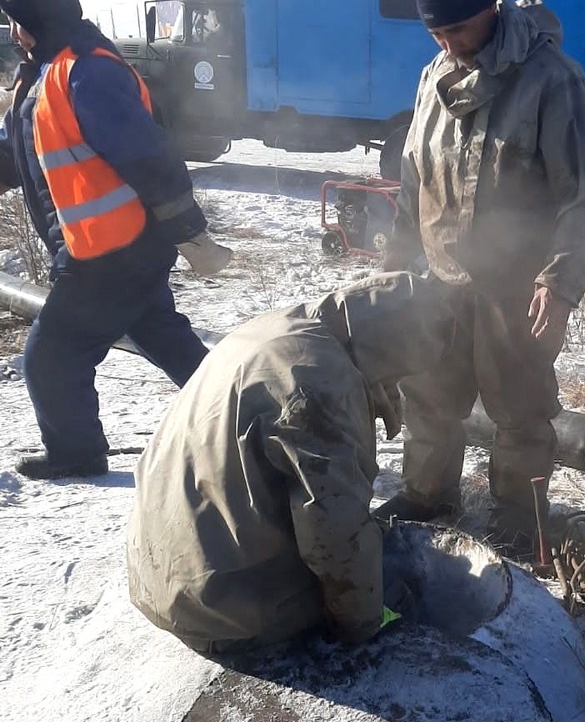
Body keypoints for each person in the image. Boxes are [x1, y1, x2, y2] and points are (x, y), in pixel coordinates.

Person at [377, 0, 585, 559]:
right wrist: (396, 266)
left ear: (490, 8)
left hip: (518, 285)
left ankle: (517, 517)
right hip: (439, 278)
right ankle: (429, 497)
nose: (448, 43)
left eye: (458, 28)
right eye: (436, 32)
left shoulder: (550, 80)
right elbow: (413, 181)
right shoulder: (435, 78)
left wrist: (560, 282)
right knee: (428, 395)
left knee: (521, 411)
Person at [126, 271, 454, 653]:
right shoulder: (321, 384)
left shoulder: (284, 329)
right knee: (392, 587)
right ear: (394, 350)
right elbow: (334, 531)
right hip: (218, 607)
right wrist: (363, 626)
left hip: (162, 568)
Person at [0, 0, 231, 480]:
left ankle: (77, 453)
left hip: (113, 250)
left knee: (51, 357)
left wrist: (189, 230)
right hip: (110, 244)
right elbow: (15, 153)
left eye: (16, 22)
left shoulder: (87, 72)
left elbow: (149, 156)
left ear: (36, 20)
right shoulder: (43, 73)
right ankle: (248, 413)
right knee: (162, 336)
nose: (13, 33)